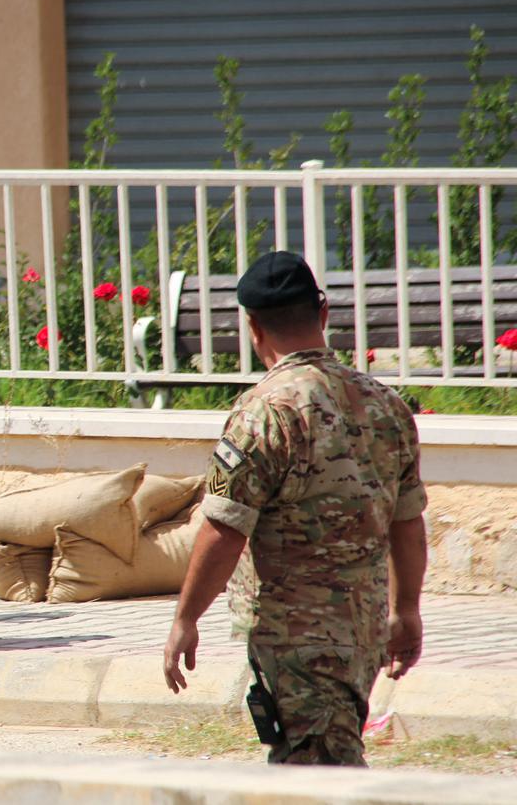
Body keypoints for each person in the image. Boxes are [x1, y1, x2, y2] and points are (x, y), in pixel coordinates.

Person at [162, 251, 429, 766]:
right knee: (316, 763)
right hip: (364, 627)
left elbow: (223, 528)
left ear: (253, 327)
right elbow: (408, 521)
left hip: (296, 638)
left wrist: (185, 617)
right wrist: (406, 609)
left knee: (319, 777)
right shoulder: (386, 404)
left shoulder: (265, 412)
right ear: (323, 313)